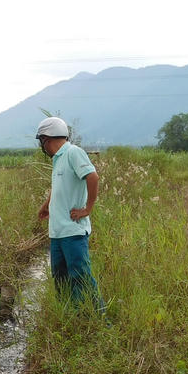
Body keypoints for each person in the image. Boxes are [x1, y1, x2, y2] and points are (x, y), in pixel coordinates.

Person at [35, 116, 105, 313]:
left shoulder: (73, 152)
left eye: (42, 141)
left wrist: (88, 209)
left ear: (46, 139)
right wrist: (46, 205)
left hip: (73, 231)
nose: (43, 146)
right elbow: (58, 187)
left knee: (80, 276)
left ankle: (99, 319)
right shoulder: (58, 159)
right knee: (61, 279)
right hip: (57, 232)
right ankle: (72, 318)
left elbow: (92, 176)